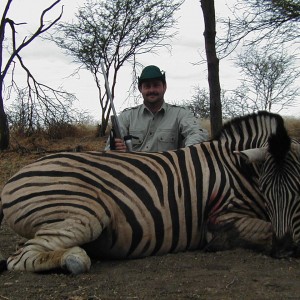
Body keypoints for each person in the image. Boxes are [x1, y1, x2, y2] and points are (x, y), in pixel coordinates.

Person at [105, 65, 208, 152]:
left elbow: (197, 134)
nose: (152, 90)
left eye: (156, 85)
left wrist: (187, 153)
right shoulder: (126, 116)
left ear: (164, 87)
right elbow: (109, 149)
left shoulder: (181, 114)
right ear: (140, 89)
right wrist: (115, 149)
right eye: (147, 86)